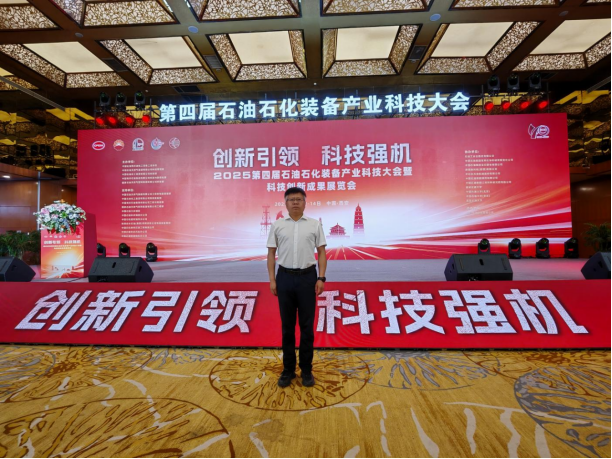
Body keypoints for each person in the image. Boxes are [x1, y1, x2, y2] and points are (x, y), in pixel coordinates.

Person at [267, 187, 327, 388]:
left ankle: (306, 369)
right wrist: (272, 280)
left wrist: (321, 278)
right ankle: (288, 370)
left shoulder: (314, 224)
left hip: (307, 278)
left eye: (299, 199)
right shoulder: (277, 225)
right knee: (287, 327)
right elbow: (271, 254)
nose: (295, 202)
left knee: (307, 327)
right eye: (291, 199)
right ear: (285, 203)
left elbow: (321, 252)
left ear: (304, 203)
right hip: (284, 277)